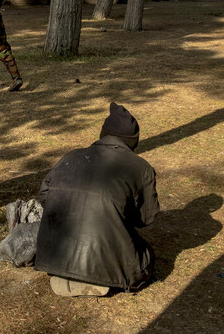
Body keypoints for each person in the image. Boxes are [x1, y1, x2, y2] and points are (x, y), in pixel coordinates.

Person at [35, 102, 159, 297]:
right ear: (133, 140)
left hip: (55, 256)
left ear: (103, 134)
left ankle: (69, 273)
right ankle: (99, 276)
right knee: (146, 256)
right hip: (106, 259)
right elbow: (144, 219)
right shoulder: (141, 167)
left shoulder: (72, 155)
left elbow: (44, 197)